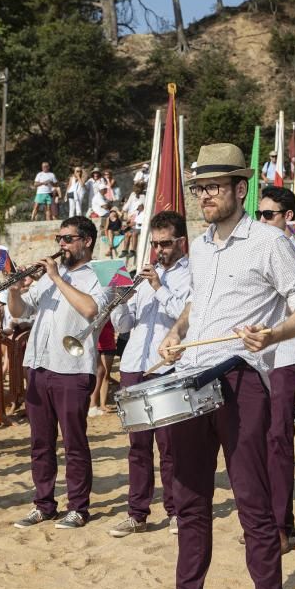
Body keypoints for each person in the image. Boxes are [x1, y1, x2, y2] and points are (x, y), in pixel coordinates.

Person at [136, 143, 295, 589]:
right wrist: (175, 334)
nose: (206, 196)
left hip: (241, 380)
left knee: (253, 504)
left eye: (215, 187)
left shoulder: (268, 241)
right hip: (190, 376)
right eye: (200, 189)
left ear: (242, 188)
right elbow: (199, 304)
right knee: (189, 500)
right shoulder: (200, 246)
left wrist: (276, 335)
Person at [7, 216, 107, 530]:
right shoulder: (52, 275)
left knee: (74, 443)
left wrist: (56, 276)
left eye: (67, 239)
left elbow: (92, 310)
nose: (61, 245)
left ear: (86, 241)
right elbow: (21, 312)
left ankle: (78, 507)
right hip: (38, 365)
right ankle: (44, 504)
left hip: (73, 369)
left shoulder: (103, 273)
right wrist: (13, 287)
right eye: (59, 238)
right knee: (40, 442)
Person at [108, 211, 192, 538]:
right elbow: (125, 326)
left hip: (167, 366)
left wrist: (158, 286)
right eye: (155, 244)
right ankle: (137, 513)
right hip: (133, 365)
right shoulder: (144, 275)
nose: (160, 250)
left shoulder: (191, 276)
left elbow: (184, 316)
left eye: (166, 243)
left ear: (181, 241)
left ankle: (175, 510)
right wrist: (118, 298)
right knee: (137, 445)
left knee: (170, 445)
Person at [257, 185, 295, 553]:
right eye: (258, 214)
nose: (261, 220)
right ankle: (265, 520)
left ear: (287, 217)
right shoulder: (257, 247)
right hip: (256, 357)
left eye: (268, 214)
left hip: (287, 353)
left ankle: (281, 525)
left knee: (277, 440)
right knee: (255, 442)